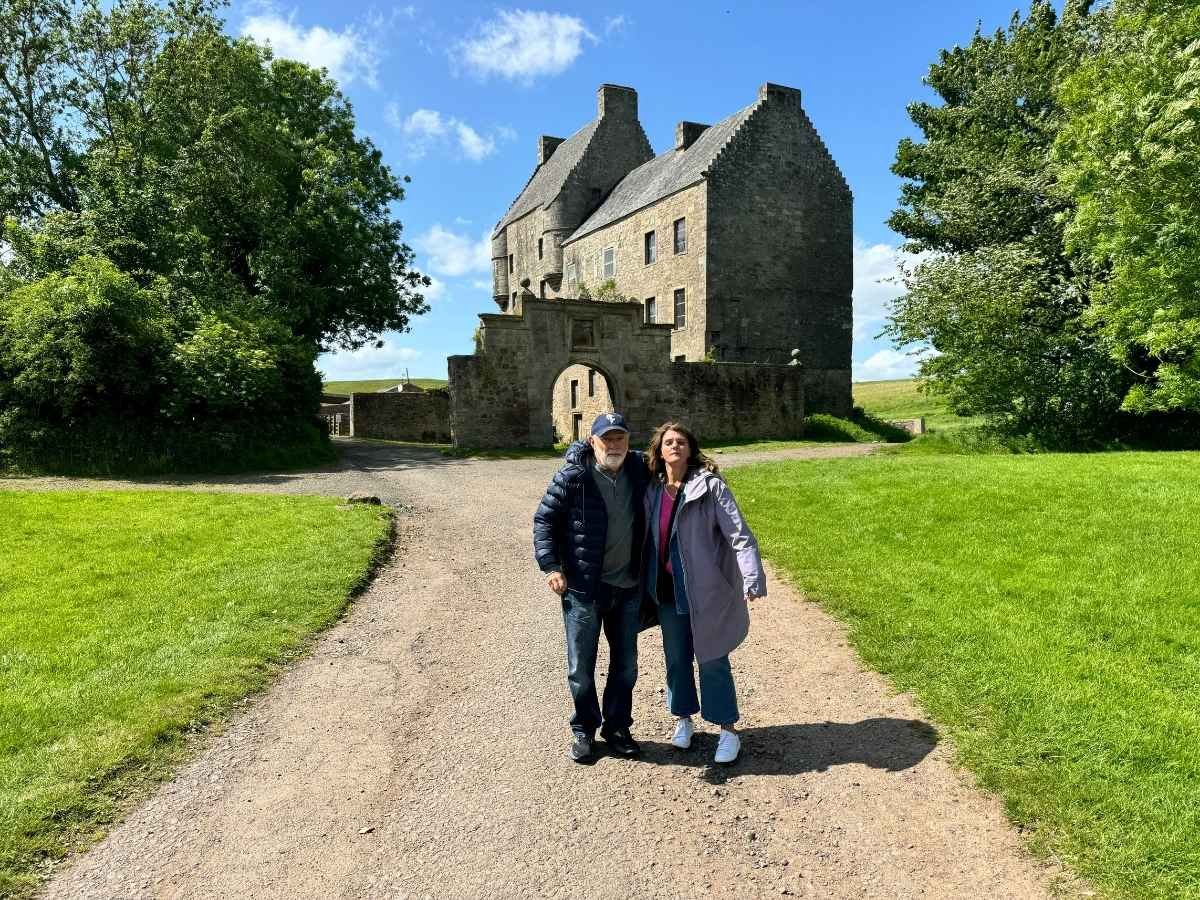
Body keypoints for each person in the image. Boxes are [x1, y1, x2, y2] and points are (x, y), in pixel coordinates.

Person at [643, 421, 766, 765]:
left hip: (704, 588)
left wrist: (751, 575)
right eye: (668, 442)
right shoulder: (652, 489)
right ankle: (683, 718)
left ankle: (727, 730)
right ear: (659, 450)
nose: (675, 446)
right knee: (676, 658)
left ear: (691, 449)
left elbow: (739, 533)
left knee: (712, 658)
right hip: (667, 589)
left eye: (681, 441)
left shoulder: (710, 487)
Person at [534, 412, 651, 763]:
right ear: (592, 442)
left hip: (628, 587)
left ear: (628, 442)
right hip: (584, 589)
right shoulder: (573, 476)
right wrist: (551, 566)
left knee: (626, 666)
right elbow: (544, 520)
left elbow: (679, 464)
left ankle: (616, 727)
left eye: (620, 438)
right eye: (606, 439)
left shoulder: (639, 470)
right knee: (581, 669)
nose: (613, 445)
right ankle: (584, 729)